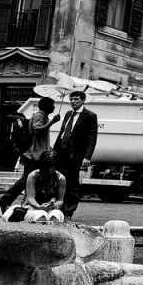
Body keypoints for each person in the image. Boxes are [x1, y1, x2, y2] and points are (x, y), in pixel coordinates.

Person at [0, 96, 60, 211]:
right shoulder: (40, 116)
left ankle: (26, 203)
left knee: (32, 180)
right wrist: (52, 122)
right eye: (52, 105)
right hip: (34, 156)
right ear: (47, 106)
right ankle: (3, 202)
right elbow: (36, 129)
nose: (54, 107)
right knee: (25, 180)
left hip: (38, 154)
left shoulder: (43, 116)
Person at [52, 90, 98, 220]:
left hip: (75, 155)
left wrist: (87, 157)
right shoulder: (67, 114)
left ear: (83, 100)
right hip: (61, 152)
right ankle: (58, 210)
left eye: (76, 99)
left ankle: (68, 212)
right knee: (59, 181)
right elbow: (62, 133)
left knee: (72, 184)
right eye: (71, 99)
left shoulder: (90, 116)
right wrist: (54, 151)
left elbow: (92, 138)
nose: (73, 102)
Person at [3, 151, 66, 222]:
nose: (49, 170)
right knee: (41, 216)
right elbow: (30, 198)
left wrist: (54, 205)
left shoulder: (60, 178)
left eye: (51, 167)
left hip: (52, 209)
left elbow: (60, 200)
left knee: (55, 216)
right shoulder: (33, 176)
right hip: (33, 207)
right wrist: (39, 207)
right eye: (47, 167)